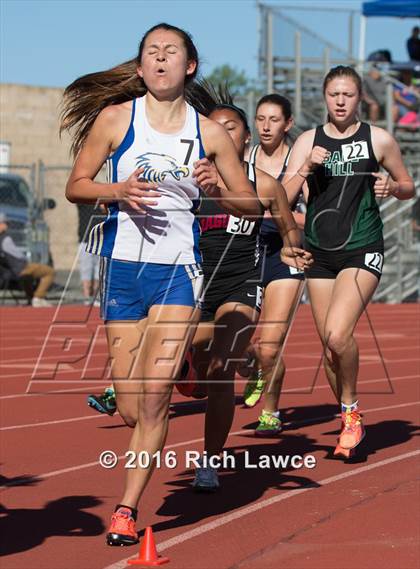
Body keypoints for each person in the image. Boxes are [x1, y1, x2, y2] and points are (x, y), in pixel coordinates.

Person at [61, 23, 264, 546]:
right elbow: (75, 186)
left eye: (170, 52)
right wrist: (117, 189)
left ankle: (125, 510)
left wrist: (217, 186)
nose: (160, 59)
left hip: (178, 271)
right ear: (141, 65)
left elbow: (252, 203)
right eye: (151, 52)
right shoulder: (115, 119)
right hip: (125, 270)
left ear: (189, 66)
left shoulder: (209, 133)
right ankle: (189, 367)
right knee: (130, 408)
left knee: (153, 402)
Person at [282, 65, 414, 458]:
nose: (340, 101)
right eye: (334, 94)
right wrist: (305, 167)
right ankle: (346, 414)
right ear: (325, 97)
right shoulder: (308, 141)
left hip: (362, 246)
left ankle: (352, 412)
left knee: (339, 334)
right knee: (329, 348)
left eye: (348, 95)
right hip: (320, 252)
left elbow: (407, 185)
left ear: (360, 99)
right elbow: (283, 197)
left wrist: (392, 186)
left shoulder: (379, 139)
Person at [187, 86, 312, 491]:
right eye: (215, 128)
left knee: (221, 371)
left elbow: (290, 231)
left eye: (231, 127)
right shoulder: (191, 181)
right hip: (195, 286)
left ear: (244, 139)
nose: (222, 133)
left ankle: (209, 461)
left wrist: (296, 253)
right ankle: (242, 365)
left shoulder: (264, 185)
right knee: (197, 373)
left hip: (242, 284)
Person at [241, 94, 306, 437]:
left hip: (285, 256)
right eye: (261, 119)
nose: (266, 126)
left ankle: (271, 410)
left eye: (274, 120)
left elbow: (313, 219)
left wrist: (280, 215)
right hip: (248, 255)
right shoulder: (244, 158)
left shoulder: (300, 166)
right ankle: (255, 364)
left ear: (288, 124)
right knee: (240, 346)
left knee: (271, 344)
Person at [0, 211, 55, 306]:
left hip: (10, 271)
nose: (6, 225)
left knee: (27, 278)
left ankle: (31, 298)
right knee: (50, 272)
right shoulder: (5, 239)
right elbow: (18, 255)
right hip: (21, 268)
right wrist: (25, 260)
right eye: (4, 223)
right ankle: (38, 297)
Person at [76, 203, 104, 306]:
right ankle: (87, 296)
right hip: (85, 239)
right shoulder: (84, 202)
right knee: (86, 268)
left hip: (101, 238)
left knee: (100, 268)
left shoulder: (105, 200)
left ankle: (97, 297)